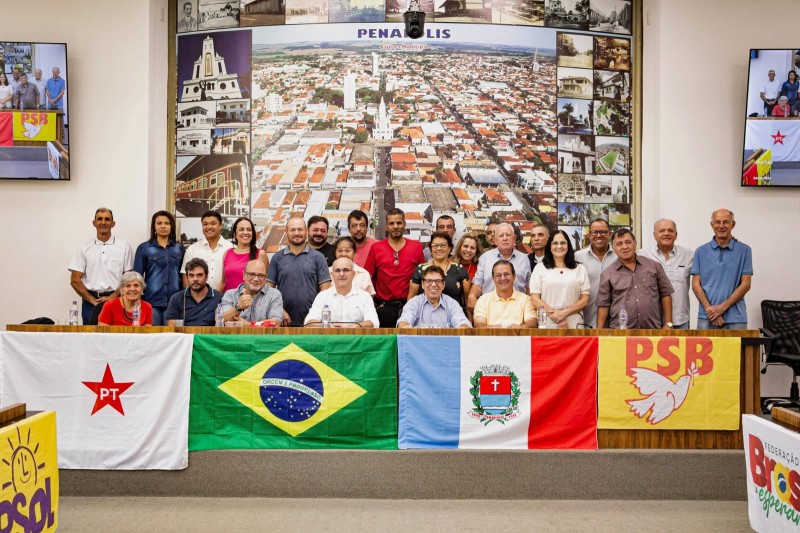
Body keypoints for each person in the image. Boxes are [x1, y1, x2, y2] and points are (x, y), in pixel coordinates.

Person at [596, 229, 674, 329]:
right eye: (619, 244)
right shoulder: (608, 273)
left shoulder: (654, 266)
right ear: (614, 248)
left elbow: (666, 295)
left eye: (628, 242)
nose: (624, 247)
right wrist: (599, 332)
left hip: (652, 331)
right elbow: (603, 305)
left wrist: (668, 323)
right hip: (621, 332)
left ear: (635, 244)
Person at [69, 208, 134, 325]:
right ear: (94, 223)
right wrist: (92, 301)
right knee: (90, 339)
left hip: (117, 299)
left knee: (117, 338)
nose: (103, 222)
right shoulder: (84, 248)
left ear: (113, 224)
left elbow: (128, 277)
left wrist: (113, 297)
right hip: (90, 303)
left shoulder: (124, 246)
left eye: (107, 219)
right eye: (99, 219)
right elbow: (75, 280)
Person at [691, 208, 753, 329]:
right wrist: (711, 310)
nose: (721, 226)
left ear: (733, 224)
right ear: (711, 224)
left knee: (737, 349)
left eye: (726, 222)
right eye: (717, 222)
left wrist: (721, 308)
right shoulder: (700, 251)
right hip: (707, 317)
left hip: (736, 319)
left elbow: (746, 284)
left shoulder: (745, 250)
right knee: (704, 349)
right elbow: (695, 285)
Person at [364, 208, 425, 328]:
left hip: (410, 306)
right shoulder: (376, 248)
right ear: (386, 226)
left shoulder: (416, 246)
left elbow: (423, 276)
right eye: (391, 223)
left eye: (399, 223)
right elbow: (368, 278)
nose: (395, 226)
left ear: (404, 224)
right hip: (383, 307)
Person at [266, 217, 331, 326]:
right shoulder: (277, 258)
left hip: (312, 322)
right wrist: (279, 311)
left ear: (306, 231)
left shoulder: (318, 257)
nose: (297, 233)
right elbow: (268, 291)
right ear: (286, 232)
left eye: (300, 229)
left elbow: (326, 290)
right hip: (283, 322)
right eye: (292, 230)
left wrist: (314, 314)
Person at [639, 219, 694, 329]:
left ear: (676, 235)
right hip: (652, 320)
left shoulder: (689, 255)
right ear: (654, 235)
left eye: (670, 230)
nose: (666, 233)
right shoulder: (642, 255)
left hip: (680, 319)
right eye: (662, 231)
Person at [529, 230, 590, 329]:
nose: (559, 246)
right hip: (547, 323)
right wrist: (556, 316)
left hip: (574, 325)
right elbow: (535, 299)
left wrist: (564, 313)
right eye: (555, 243)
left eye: (563, 243)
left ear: (568, 245)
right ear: (550, 246)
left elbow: (585, 300)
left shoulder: (580, 268)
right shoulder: (540, 268)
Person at [133, 211, 185, 326]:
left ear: (172, 226)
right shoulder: (144, 248)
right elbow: (137, 277)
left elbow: (183, 276)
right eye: (159, 223)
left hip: (174, 303)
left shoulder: (179, 248)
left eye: (167, 223)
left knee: (173, 338)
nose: (163, 226)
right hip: (150, 302)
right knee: (152, 338)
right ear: (154, 226)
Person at [467, 222, 531, 315]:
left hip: (518, 311)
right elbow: (478, 283)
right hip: (491, 310)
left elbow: (528, 286)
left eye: (508, 235)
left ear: (514, 239)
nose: (505, 238)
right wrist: (472, 296)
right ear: (496, 240)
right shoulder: (485, 258)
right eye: (501, 236)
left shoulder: (524, 259)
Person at [304, 258, 379, 328]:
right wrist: (327, 326)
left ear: (353, 274)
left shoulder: (364, 296)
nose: (342, 274)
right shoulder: (323, 296)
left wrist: (354, 326)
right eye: (337, 271)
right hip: (330, 339)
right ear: (332, 275)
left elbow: (374, 322)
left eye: (346, 270)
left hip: (355, 339)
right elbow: (309, 322)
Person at [574, 218, 618, 328]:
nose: (599, 235)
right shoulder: (578, 257)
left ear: (609, 234)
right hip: (584, 319)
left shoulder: (619, 257)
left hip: (615, 320)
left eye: (603, 232)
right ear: (589, 235)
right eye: (594, 232)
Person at [398, 265, 471, 329]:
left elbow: (463, 324)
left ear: (443, 285)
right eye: (429, 281)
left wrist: (463, 326)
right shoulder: (413, 303)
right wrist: (405, 325)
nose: (433, 284)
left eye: (438, 281)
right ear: (423, 284)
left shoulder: (452, 304)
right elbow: (404, 323)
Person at [408, 232, 470, 306]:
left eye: (443, 245)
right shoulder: (420, 270)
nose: (439, 248)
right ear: (431, 248)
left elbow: (467, 298)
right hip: (425, 315)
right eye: (435, 245)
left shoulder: (459, 269)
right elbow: (412, 298)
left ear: (450, 248)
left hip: (453, 315)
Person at [473, 261, 536, 329]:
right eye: (498, 275)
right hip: (491, 338)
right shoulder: (483, 300)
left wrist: (520, 328)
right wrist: (501, 329)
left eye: (506, 274)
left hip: (517, 337)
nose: (503, 278)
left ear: (514, 276)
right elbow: (479, 325)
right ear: (493, 278)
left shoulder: (525, 299)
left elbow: (532, 322)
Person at [180, 210, 232, 291]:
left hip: (226, 299)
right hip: (198, 301)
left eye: (213, 223)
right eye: (205, 224)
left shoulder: (231, 248)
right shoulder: (192, 249)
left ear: (220, 225)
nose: (209, 227)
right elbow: (185, 277)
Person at [222, 259, 284, 324]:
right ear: (244, 275)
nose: (256, 279)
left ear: (266, 278)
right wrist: (238, 307)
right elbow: (222, 320)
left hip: (263, 334)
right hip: (236, 334)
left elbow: (276, 322)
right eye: (251, 274)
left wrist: (249, 325)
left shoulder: (274, 295)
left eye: (260, 275)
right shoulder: (230, 294)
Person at [165, 258, 223, 326]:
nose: (195, 279)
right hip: (186, 336)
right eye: (191, 275)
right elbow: (172, 327)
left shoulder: (219, 298)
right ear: (187, 277)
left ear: (206, 277)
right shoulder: (176, 299)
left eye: (199, 275)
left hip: (210, 336)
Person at [221, 216, 269, 292]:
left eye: (249, 230)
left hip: (252, 302)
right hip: (229, 302)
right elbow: (223, 282)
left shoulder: (260, 254)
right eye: (241, 229)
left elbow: (266, 283)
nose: (246, 232)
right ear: (234, 234)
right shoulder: (227, 253)